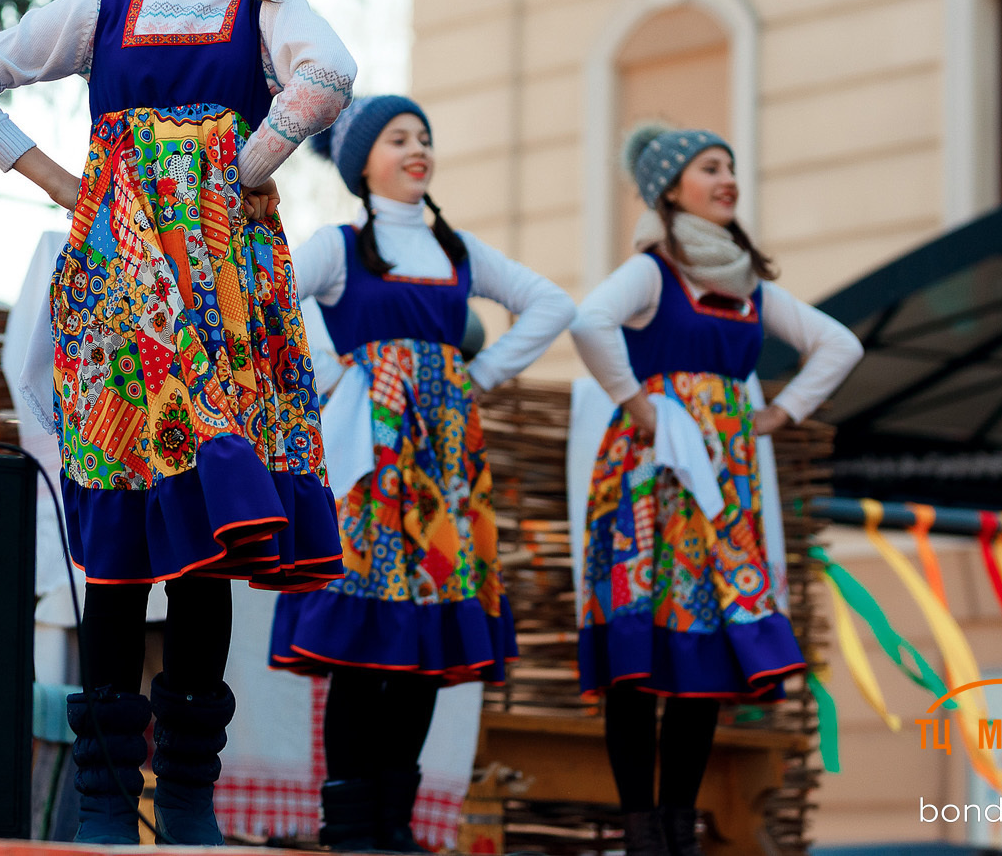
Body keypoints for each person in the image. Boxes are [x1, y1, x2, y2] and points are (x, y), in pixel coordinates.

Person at [0, 0, 356, 845]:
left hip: (219, 303)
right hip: (118, 296)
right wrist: (63, 183)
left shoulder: (265, 2)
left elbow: (329, 73)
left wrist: (242, 167)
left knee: (203, 539)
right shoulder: (102, 7)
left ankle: (192, 798)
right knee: (117, 538)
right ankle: (110, 801)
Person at [269, 96, 576, 851]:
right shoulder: (339, 246)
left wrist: (479, 374)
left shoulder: (458, 251)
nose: (417, 149)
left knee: (421, 647)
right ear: (361, 163)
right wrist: (325, 375)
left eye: (424, 138)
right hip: (366, 468)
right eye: (399, 138)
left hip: (443, 469)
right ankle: (349, 828)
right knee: (358, 647)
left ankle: (394, 825)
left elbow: (550, 302)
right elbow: (269, 294)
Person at [568, 123, 862, 856]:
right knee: (639, 658)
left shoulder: (750, 285)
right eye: (710, 166)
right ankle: (642, 828)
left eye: (730, 166)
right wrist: (636, 401)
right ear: (672, 187)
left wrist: (778, 412)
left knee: (699, 656)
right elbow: (589, 318)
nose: (727, 177)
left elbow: (841, 344)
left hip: (722, 490)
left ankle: (677, 825)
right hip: (646, 478)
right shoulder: (653, 270)